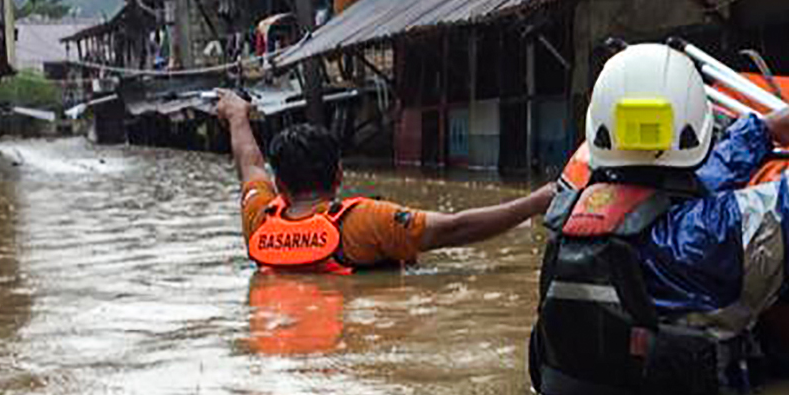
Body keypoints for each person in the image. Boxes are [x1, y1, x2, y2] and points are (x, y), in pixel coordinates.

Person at [531, 43, 789, 395]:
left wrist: (759, 133)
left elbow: (675, 187)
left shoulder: (573, 216)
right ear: (695, 124)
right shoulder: (708, 234)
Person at [216, 92, 553, 273]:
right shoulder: (364, 221)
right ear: (339, 175)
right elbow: (454, 228)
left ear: (281, 186)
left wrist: (236, 114)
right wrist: (536, 202)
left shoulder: (258, 220)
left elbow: (249, 161)